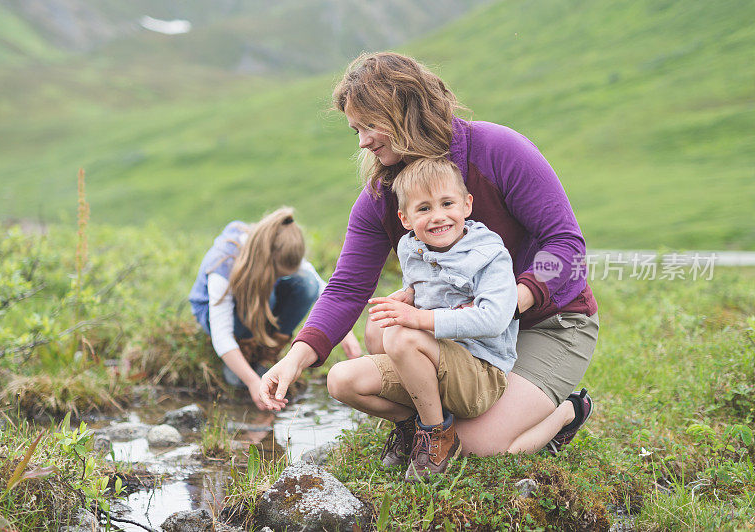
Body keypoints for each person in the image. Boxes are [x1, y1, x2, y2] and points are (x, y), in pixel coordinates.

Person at [260, 52, 599, 457]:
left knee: (478, 448)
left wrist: (508, 302)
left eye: (370, 125)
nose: (364, 141)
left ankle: (566, 413)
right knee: (378, 331)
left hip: (547, 322)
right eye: (357, 131)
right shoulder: (383, 197)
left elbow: (566, 246)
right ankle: (424, 428)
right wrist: (294, 359)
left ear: (405, 110)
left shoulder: (499, 150)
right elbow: (347, 287)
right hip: (465, 332)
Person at [337, 157, 519, 481]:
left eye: (447, 203)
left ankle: (438, 437)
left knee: (401, 334)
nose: (437, 216)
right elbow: (423, 283)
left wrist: (420, 318)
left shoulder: (489, 254)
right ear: (405, 219)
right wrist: (408, 294)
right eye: (423, 209)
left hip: (479, 374)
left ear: (466, 205)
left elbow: (494, 318)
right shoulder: (411, 247)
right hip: (434, 362)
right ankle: (414, 425)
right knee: (342, 378)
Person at [188, 207, 361, 410]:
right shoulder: (223, 265)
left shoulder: (281, 246)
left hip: (259, 301)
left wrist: (345, 332)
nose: (281, 278)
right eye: (278, 274)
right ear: (266, 260)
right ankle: (244, 351)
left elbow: (323, 289)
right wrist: (253, 382)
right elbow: (221, 335)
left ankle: (265, 352)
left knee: (306, 284)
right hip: (220, 315)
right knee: (264, 294)